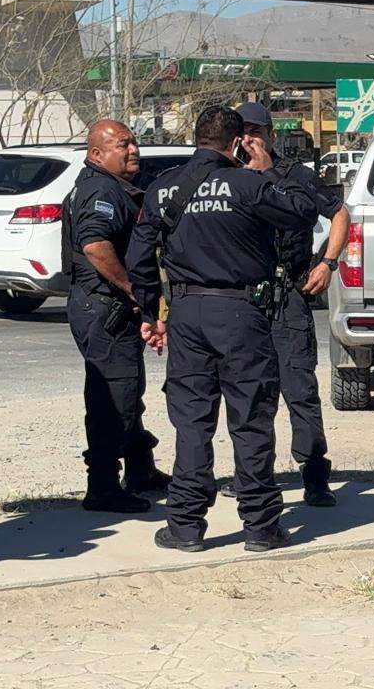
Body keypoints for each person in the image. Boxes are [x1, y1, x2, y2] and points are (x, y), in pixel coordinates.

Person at [126, 107, 317, 553]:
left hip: (186, 312)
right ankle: (261, 526)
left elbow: (139, 258)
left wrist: (151, 312)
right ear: (236, 143)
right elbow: (304, 212)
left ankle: (185, 525)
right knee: (250, 419)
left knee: (192, 421)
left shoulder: (164, 186)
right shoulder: (248, 184)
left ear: (197, 139)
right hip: (240, 311)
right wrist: (269, 170)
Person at [231, 102, 348, 508]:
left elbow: (340, 214)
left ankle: (315, 476)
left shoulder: (295, 176)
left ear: (270, 135)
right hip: (244, 299)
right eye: (243, 133)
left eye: (256, 132)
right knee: (247, 395)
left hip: (288, 294)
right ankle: (252, 477)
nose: (249, 140)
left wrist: (328, 263)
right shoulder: (227, 177)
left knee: (299, 389)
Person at [64, 119, 170, 514]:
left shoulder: (112, 186)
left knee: (128, 390)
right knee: (113, 398)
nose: (133, 150)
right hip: (102, 307)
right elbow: (95, 246)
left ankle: (141, 470)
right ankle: (103, 487)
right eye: (122, 144)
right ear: (96, 154)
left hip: (110, 309)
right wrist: (134, 289)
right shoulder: (100, 190)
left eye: (133, 142)